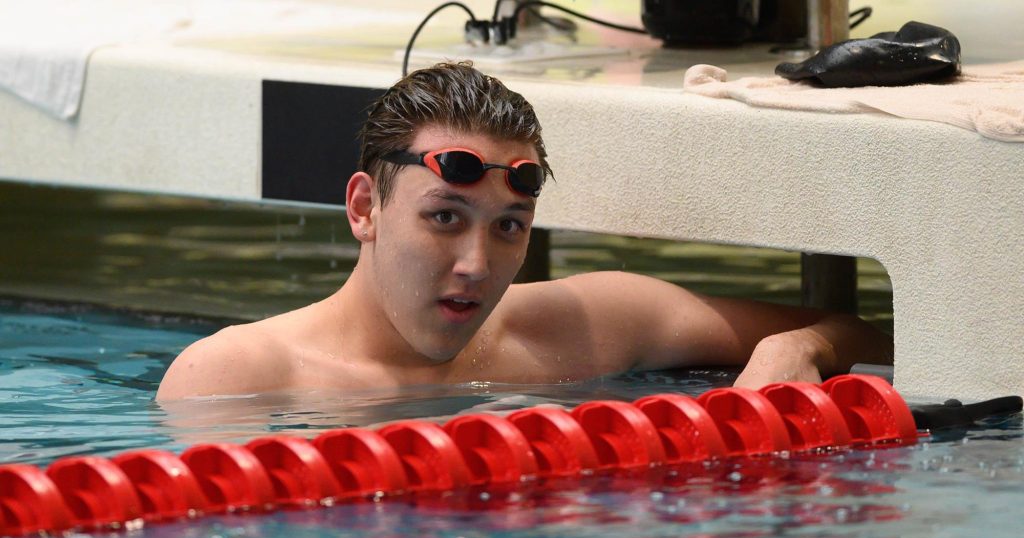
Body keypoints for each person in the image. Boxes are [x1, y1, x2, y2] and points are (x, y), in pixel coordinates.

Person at [156, 62, 891, 401]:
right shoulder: (236, 378)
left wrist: (799, 348)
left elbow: (872, 336)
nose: (477, 264)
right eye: (444, 218)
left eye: (509, 227)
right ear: (363, 210)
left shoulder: (579, 326)